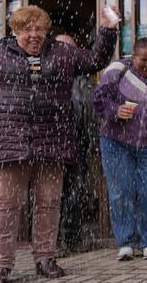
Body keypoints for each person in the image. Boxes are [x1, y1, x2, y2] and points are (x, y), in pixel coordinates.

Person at [0, 5, 118, 282]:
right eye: (27, 29)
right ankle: (0, 265)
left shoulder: (62, 52)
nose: (34, 35)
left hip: (52, 139)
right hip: (8, 140)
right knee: (4, 205)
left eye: (40, 29)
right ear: (15, 30)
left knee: (49, 203)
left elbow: (94, 60)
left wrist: (107, 30)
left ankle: (45, 259)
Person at [93, 37, 147, 262]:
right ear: (133, 57)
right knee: (121, 192)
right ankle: (126, 243)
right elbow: (99, 99)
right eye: (143, 59)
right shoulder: (118, 70)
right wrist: (115, 111)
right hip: (116, 141)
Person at [54, 33, 94, 254]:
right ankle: (51, 241)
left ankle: (71, 238)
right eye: (62, 48)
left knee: (74, 193)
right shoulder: (43, 76)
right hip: (51, 145)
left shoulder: (83, 78)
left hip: (77, 145)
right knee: (50, 195)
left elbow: (89, 112)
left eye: (71, 49)